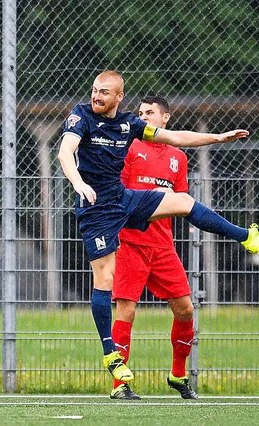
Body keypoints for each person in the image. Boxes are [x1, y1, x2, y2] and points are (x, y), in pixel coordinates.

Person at [57, 70, 259, 384]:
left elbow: (175, 136)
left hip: (123, 199)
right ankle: (111, 354)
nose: (97, 96)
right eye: (95, 90)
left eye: (104, 92)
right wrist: (78, 182)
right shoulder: (81, 116)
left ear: (119, 97)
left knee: (183, 202)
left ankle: (249, 237)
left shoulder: (129, 125)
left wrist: (217, 138)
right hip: (96, 210)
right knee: (105, 280)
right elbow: (65, 152)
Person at [109, 95, 197, 400]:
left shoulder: (178, 157)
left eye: (150, 113)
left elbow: (182, 202)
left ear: (165, 119)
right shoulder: (130, 149)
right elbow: (116, 194)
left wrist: (161, 202)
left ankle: (177, 375)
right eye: (140, 113)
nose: (143, 117)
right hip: (131, 243)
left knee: (185, 310)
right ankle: (120, 385)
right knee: (127, 310)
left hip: (163, 247)